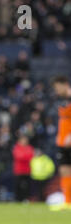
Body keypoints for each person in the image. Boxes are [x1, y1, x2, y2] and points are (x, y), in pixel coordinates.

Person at [50, 76, 71, 211]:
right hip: (63, 141)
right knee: (64, 170)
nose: (56, 91)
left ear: (64, 84)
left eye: (57, 88)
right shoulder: (61, 100)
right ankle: (68, 202)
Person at [12, 134, 34, 202]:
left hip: (27, 171)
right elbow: (18, 156)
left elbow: (30, 156)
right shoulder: (17, 147)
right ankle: (18, 199)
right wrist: (25, 156)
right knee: (18, 186)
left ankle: (26, 199)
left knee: (27, 186)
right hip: (19, 171)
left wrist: (24, 156)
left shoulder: (29, 147)